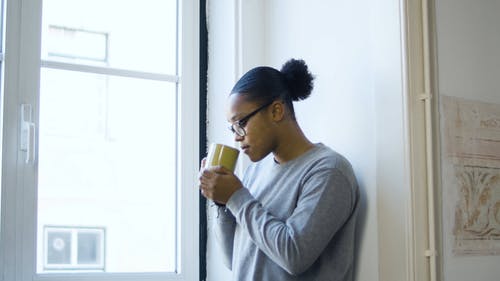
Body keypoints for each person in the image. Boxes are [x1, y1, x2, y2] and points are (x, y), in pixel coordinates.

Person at [199, 58, 359, 281]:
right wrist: (223, 203)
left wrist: (236, 197)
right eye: (233, 127)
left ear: (276, 111)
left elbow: (295, 255)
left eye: (241, 123)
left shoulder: (329, 171)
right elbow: (232, 259)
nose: (236, 136)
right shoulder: (255, 172)